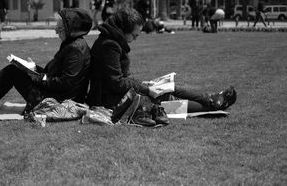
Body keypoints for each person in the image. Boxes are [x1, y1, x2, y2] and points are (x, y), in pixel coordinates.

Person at [86, 8, 236, 126]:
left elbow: (117, 80)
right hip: (108, 100)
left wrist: (145, 86)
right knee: (164, 99)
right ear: (123, 30)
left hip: (113, 94)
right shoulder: (109, 46)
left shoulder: (110, 42)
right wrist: (145, 88)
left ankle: (210, 100)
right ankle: (211, 104)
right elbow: (116, 82)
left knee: (166, 89)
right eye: (134, 35)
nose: (135, 39)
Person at [0, 8, 93, 113]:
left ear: (71, 29)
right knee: (16, 68)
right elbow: (59, 75)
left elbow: (65, 83)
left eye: (60, 28)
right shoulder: (74, 44)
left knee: (13, 71)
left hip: (56, 101)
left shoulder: (75, 49)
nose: (56, 31)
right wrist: (33, 68)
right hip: (57, 95)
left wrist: (37, 76)